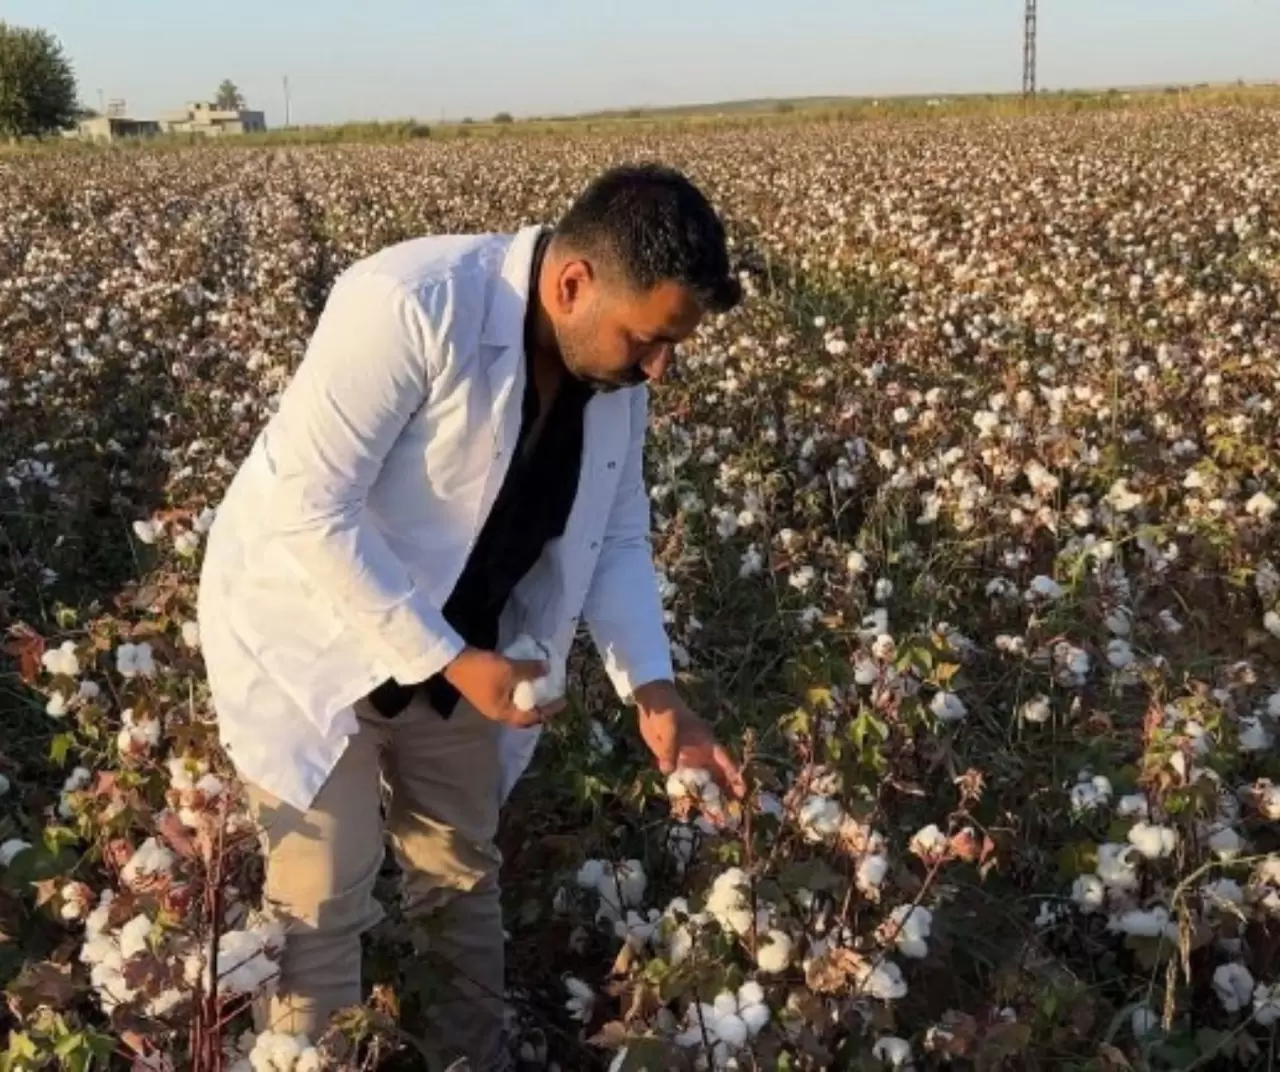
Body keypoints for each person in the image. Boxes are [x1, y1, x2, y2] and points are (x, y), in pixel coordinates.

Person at [197, 163, 746, 1069]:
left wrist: (655, 690)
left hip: (465, 654)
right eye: (646, 339)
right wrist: (451, 659)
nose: (660, 368)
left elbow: (615, 539)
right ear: (574, 284)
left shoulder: (615, 385)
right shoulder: (407, 304)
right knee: (325, 894)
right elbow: (310, 511)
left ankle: (472, 1058)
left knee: (460, 879)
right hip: (311, 635)